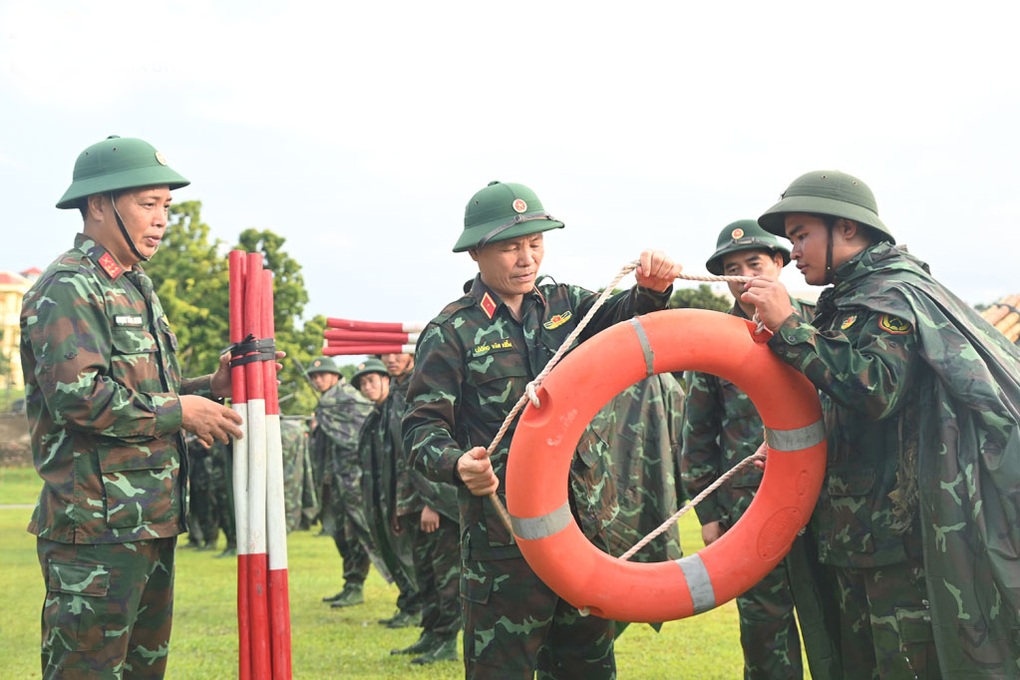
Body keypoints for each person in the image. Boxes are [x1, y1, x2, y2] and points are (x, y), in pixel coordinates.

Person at [741, 170, 1020, 678]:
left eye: (802, 234)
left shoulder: (891, 295)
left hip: (898, 550)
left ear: (846, 229)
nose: (794, 250)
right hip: (852, 538)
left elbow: (875, 390)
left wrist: (789, 325)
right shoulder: (847, 298)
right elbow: (844, 409)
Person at [402, 180, 682, 679]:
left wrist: (652, 289)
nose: (526, 258)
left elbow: (626, 323)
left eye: (535, 244)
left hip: (582, 528)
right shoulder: (452, 333)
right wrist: (458, 464)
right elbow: (421, 429)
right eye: (511, 247)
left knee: (587, 667)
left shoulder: (566, 305)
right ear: (477, 253)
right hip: (503, 543)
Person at [20, 135, 244, 678]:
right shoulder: (69, 287)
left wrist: (205, 388)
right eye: (148, 204)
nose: (162, 219)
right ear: (98, 205)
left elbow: (141, 388)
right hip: (94, 532)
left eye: (166, 206)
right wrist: (182, 411)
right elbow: (81, 397)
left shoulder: (135, 287)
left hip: (147, 523)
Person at [682, 219, 840, 680]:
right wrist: (709, 514)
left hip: (823, 500)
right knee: (764, 627)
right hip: (749, 506)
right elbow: (697, 435)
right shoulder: (714, 340)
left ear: (780, 263)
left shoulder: (816, 322)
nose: (744, 276)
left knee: (836, 617)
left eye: (754, 263)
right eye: (732, 269)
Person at [384, 351, 461, 665]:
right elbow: (402, 457)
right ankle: (430, 633)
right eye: (384, 354)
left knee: (447, 576)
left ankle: (446, 640)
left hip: (437, 503)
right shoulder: (397, 394)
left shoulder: (433, 388)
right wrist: (401, 505)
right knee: (425, 573)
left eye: (396, 353)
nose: (389, 359)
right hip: (412, 502)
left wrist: (433, 503)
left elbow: (442, 445)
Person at [353, 358, 422, 629]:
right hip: (379, 499)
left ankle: (417, 607)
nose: (368, 387)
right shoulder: (375, 417)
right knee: (390, 553)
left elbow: (404, 462)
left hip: (401, 499)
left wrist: (401, 503)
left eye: (372, 380)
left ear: (386, 381)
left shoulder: (399, 408)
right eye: (362, 383)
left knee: (408, 556)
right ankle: (408, 603)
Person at [306, 355, 379, 607]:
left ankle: (357, 584)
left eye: (322, 375)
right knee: (339, 532)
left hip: (352, 479)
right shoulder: (326, 403)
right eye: (314, 377)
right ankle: (350, 583)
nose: (317, 380)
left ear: (335, 376)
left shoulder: (349, 397)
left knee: (358, 531)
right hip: (333, 479)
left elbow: (362, 433)